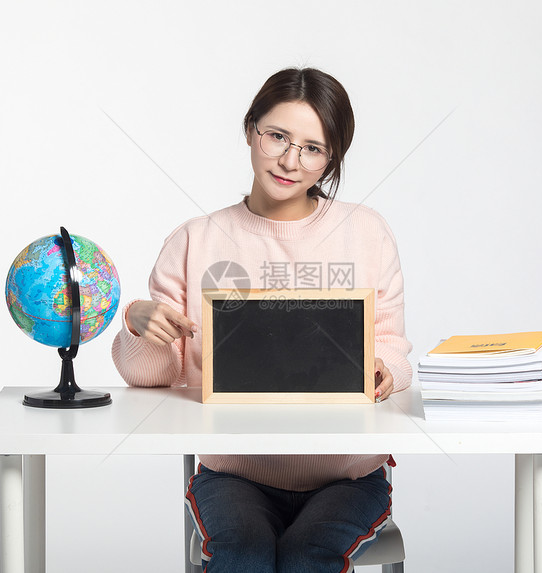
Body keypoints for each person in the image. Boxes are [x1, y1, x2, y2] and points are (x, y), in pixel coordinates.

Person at [112, 67, 412, 573]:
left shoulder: (366, 232)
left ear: (331, 157)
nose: (290, 161)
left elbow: (392, 345)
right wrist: (138, 324)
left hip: (348, 476)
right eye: (277, 136)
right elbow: (155, 376)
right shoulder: (194, 239)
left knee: (304, 557)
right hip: (235, 474)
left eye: (313, 148)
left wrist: (383, 369)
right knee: (243, 557)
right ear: (251, 129)